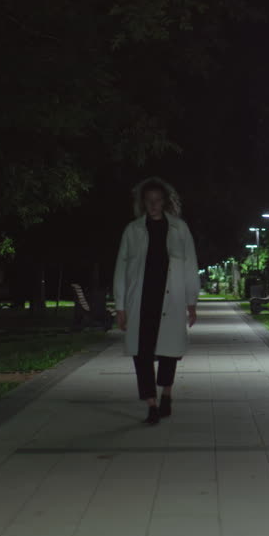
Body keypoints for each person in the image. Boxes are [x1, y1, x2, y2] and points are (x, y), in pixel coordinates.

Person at [113, 177, 199, 425]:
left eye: (158, 200)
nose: (153, 205)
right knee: (141, 354)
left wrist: (191, 302)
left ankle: (166, 394)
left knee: (170, 350)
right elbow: (121, 269)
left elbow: (190, 265)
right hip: (141, 299)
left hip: (172, 297)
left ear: (165, 202)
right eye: (149, 200)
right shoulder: (133, 230)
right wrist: (120, 307)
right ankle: (151, 404)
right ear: (143, 202)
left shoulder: (180, 229)